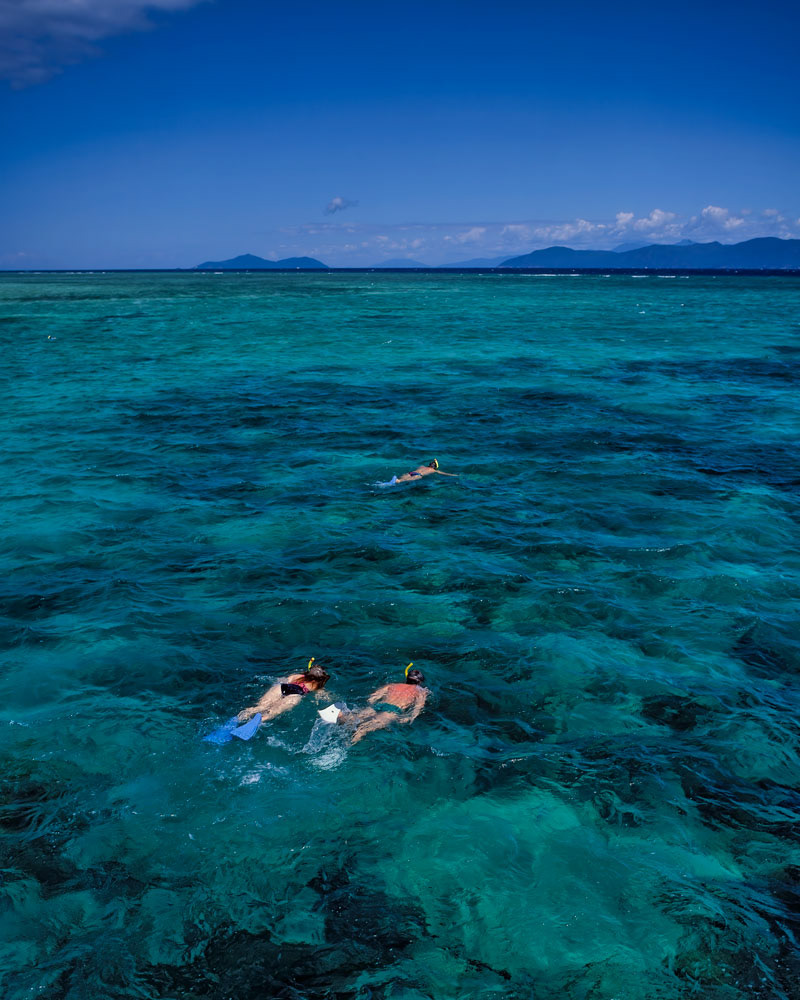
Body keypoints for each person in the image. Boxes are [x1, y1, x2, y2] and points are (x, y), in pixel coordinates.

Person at [337, 665, 429, 743]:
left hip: (379, 706)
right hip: (393, 710)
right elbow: (418, 707)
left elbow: (373, 698)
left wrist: (372, 702)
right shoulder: (421, 692)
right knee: (364, 729)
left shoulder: (392, 685)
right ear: (420, 682)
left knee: (355, 718)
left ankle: (342, 716)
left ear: (407, 678)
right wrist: (409, 717)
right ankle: (348, 744)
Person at [237, 658, 331, 725]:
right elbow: (321, 696)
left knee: (259, 707)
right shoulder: (317, 687)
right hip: (295, 696)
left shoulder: (298, 676)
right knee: (271, 712)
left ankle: (237, 719)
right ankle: (257, 721)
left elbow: (286, 680)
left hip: (281, 688)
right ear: (318, 680)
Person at [390, 458, 459, 485]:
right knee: (401, 482)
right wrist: (454, 475)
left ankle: (396, 480)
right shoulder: (434, 470)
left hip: (411, 472)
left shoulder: (422, 466)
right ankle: (396, 481)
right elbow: (445, 473)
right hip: (418, 475)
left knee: (400, 479)